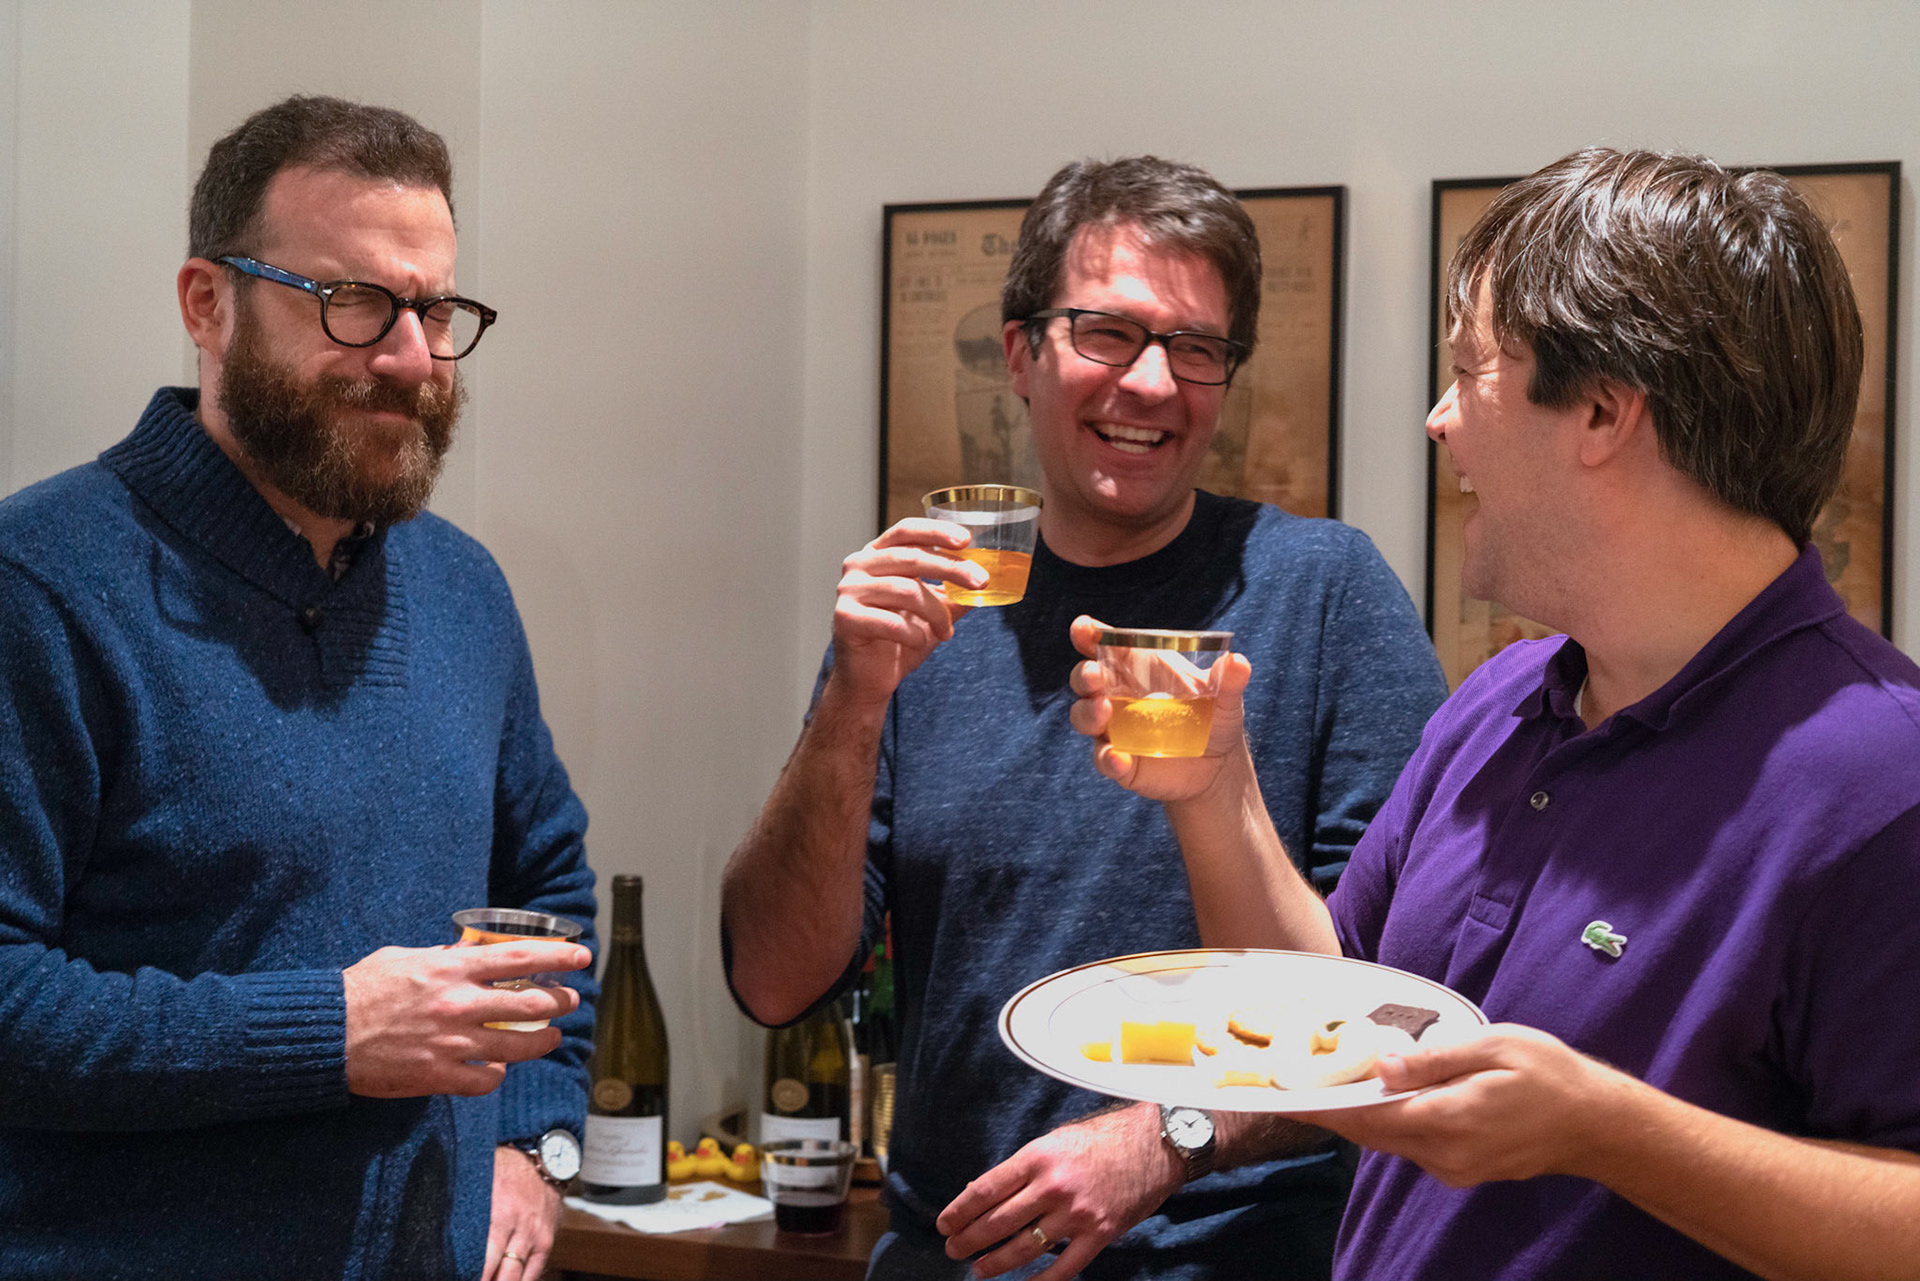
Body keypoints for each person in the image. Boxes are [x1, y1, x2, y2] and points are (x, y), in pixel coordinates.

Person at [1072, 146, 1920, 1280]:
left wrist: (1609, 1132)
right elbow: (1330, 1013)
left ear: (1605, 412)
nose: (1438, 422)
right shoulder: (1500, 703)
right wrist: (1216, 795)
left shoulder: (1885, 782)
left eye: (1469, 371)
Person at [723, 156, 1445, 1280]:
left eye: (1198, 349)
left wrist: (1170, 1137)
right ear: (1021, 354)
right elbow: (774, 981)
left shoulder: (1326, 593)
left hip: (1238, 1257)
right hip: (957, 1255)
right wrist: (850, 706)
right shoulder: (927, 614)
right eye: (1108, 333)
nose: (1153, 383)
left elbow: (1405, 1010)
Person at [0, 96, 595, 1281]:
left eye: (434, 309)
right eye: (354, 302)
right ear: (205, 304)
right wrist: (334, 1032)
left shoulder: (463, 589)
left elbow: (549, 893)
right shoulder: (41, 583)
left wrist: (534, 1141)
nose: (411, 357)